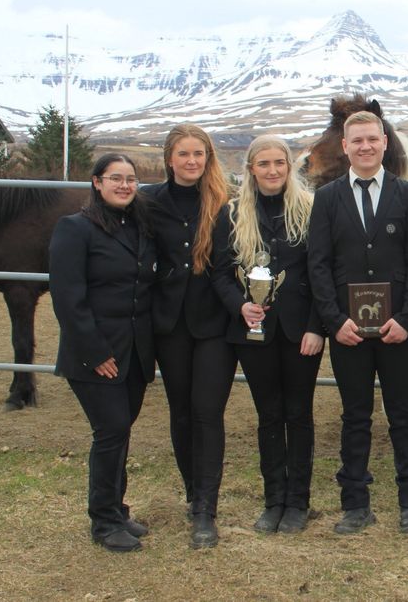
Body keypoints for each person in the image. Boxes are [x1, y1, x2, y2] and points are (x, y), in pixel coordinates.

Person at [307, 111, 408, 534]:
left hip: (397, 329)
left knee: (402, 415)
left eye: (371, 139)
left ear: (384, 143)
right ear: (345, 146)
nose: (364, 147)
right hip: (349, 333)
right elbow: (318, 265)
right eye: (356, 140)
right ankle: (354, 504)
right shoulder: (327, 199)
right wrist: (333, 320)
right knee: (355, 415)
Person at [210, 135, 325, 534]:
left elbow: (320, 274)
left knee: (299, 414)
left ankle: (299, 502)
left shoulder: (310, 211)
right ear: (251, 169)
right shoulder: (231, 215)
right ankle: (273, 499)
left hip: (300, 333)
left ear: (289, 167)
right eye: (264, 164)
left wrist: (316, 327)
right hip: (252, 331)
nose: (273, 170)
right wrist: (239, 306)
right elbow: (221, 273)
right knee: (269, 415)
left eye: (280, 162)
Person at [49, 154, 156, 552]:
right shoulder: (75, 229)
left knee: (120, 432)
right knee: (110, 431)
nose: (125, 185)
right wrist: (95, 351)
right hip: (94, 353)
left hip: (135, 352)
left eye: (130, 179)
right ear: (97, 182)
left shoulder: (138, 227)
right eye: (116, 178)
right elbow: (67, 298)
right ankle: (103, 521)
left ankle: (117, 509)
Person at [143, 124, 235, 549]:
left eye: (199, 153)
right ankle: (192, 493)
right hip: (170, 325)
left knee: (207, 411)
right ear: (170, 158)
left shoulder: (224, 204)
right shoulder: (148, 203)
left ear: (208, 157)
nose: (192, 161)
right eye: (184, 154)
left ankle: (206, 510)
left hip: (214, 324)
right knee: (180, 412)